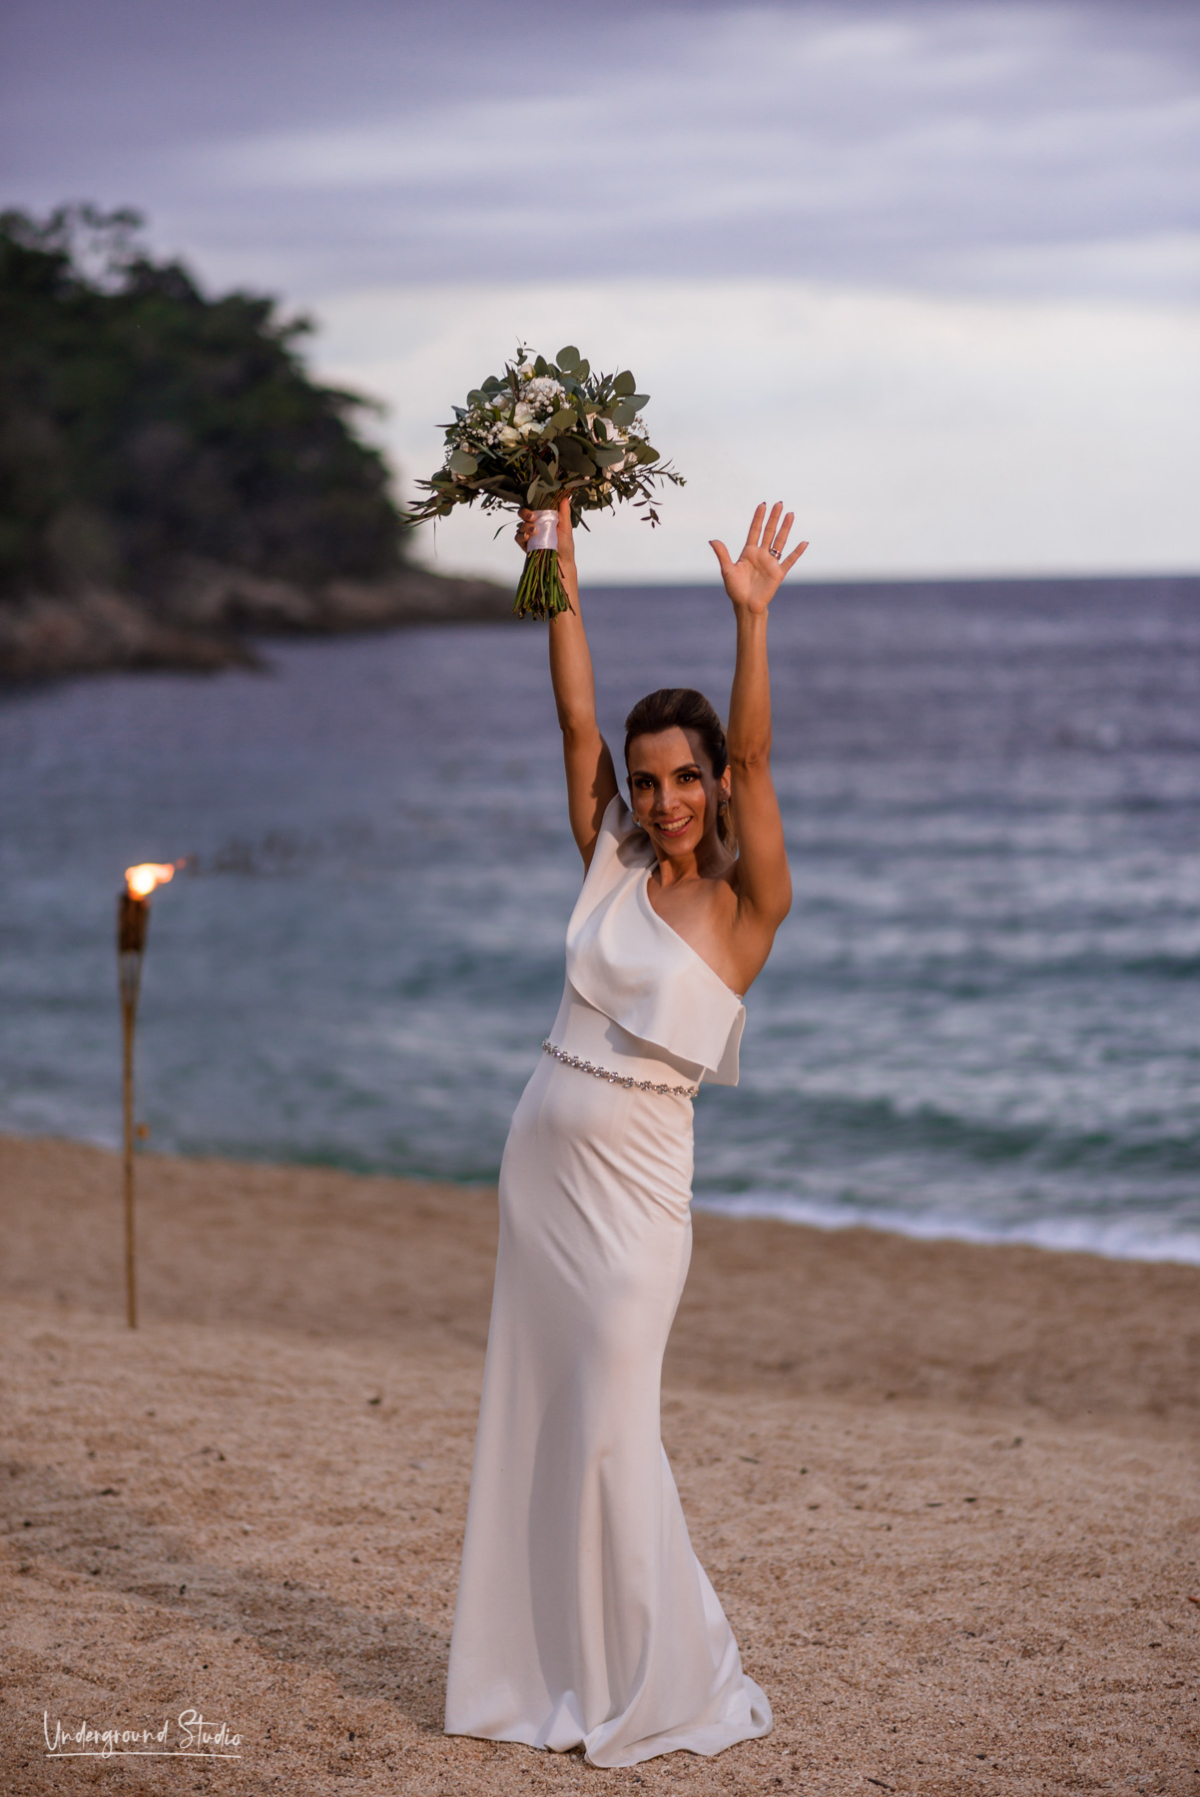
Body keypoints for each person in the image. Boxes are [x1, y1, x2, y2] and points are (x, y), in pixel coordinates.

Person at [444, 499, 807, 1767]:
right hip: (539, 1172)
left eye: (685, 778)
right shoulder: (606, 856)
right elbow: (573, 715)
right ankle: (550, 1670)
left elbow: (762, 763)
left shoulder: (745, 908)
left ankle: (661, 1676)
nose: (663, 800)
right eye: (648, 782)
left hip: (641, 1197)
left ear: (713, 783)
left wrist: (749, 622)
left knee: (612, 1426)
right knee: (544, 1421)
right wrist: (557, 553)